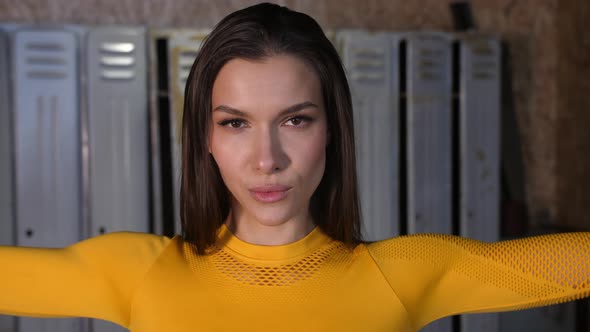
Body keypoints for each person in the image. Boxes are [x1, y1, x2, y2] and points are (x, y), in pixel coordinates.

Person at [1, 3, 589, 332]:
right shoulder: (136, 272)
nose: (267, 159)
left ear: (332, 128)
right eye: (235, 123)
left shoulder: (405, 274)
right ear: (204, 137)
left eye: (295, 120)